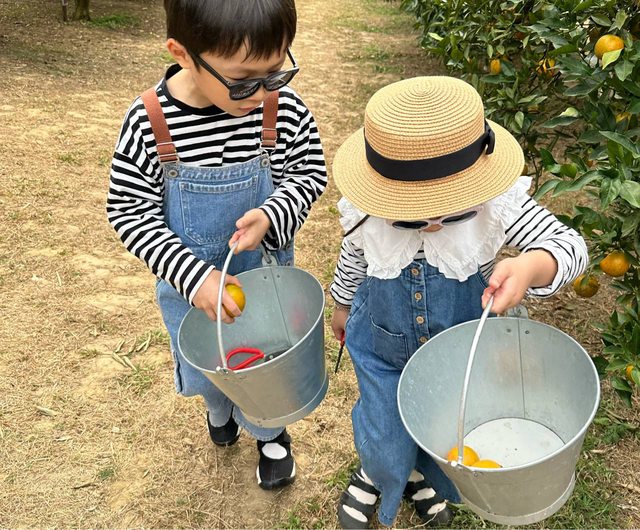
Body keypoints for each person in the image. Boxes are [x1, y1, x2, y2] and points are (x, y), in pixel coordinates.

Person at [329, 76, 588, 528]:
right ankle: (379, 472)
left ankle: (422, 474)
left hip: (461, 355)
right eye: (409, 214)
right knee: (384, 430)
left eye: (452, 209)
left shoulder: (496, 204)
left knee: (446, 429)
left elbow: (572, 247)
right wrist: (342, 303)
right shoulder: (366, 211)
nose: (432, 222)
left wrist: (531, 266)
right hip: (384, 347)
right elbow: (353, 256)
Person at [106, 0, 327, 491]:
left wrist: (273, 214)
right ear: (183, 54)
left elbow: (309, 173)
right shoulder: (149, 122)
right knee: (209, 366)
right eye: (244, 81)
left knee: (267, 362)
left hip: (263, 278)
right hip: (191, 288)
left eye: (276, 72)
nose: (262, 92)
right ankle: (218, 408)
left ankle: (269, 432)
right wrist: (194, 278)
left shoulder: (284, 109)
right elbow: (128, 211)